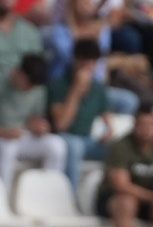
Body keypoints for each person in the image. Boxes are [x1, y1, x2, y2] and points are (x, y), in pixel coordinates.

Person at [0, 52, 68, 189]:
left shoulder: (38, 89)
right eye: (28, 84)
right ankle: (2, 197)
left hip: (22, 135)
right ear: (20, 73)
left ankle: (48, 194)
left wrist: (39, 127)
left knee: (57, 145)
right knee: (8, 149)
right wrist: (5, 132)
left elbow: (33, 119)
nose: (30, 89)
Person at [49, 38, 115, 193]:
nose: (89, 67)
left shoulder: (98, 87)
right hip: (64, 137)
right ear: (75, 60)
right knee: (75, 145)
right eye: (85, 62)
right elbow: (61, 125)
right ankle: (69, 196)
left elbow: (108, 121)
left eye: (93, 63)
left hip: (87, 140)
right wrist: (76, 91)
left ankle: (103, 195)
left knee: (117, 150)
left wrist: (108, 132)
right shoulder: (59, 84)